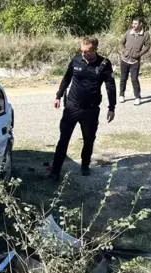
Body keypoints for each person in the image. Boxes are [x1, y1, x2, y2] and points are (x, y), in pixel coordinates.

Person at [48, 36, 116, 180]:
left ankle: (85, 165)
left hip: (90, 110)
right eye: (82, 51)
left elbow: (110, 86)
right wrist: (58, 96)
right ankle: (55, 171)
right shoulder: (76, 60)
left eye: (87, 52)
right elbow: (66, 78)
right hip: (72, 107)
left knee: (88, 139)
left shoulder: (104, 64)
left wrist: (112, 107)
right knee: (63, 139)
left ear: (95, 50)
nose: (84, 54)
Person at [119, 17, 151, 106]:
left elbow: (148, 46)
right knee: (123, 79)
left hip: (135, 61)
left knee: (134, 80)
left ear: (140, 24)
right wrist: (124, 51)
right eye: (133, 23)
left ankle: (137, 97)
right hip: (124, 59)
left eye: (136, 23)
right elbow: (121, 42)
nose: (134, 25)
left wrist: (139, 54)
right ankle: (121, 95)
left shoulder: (145, 35)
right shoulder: (129, 32)